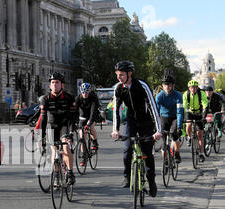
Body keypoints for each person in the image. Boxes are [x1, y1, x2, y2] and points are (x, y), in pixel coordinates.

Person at [111, 61, 162, 197]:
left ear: (129, 74)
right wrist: (115, 130)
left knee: (147, 153)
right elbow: (116, 109)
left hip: (146, 122)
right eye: (117, 75)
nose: (119, 78)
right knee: (127, 149)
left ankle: (151, 181)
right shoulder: (118, 88)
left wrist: (158, 130)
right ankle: (127, 176)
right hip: (131, 121)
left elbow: (153, 107)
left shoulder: (142, 85)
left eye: (121, 75)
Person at [34, 72, 77, 185]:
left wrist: (71, 132)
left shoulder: (69, 98)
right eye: (52, 83)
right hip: (51, 125)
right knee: (54, 151)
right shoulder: (45, 99)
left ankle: (70, 172)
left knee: (66, 147)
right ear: (49, 85)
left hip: (65, 125)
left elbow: (73, 118)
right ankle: (57, 175)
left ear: (62, 85)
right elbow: (43, 119)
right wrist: (41, 137)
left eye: (57, 82)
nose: (54, 85)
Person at [155, 74, 184, 163]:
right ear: (162, 85)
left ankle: (177, 153)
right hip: (164, 118)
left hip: (175, 117)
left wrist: (179, 126)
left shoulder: (178, 95)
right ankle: (165, 161)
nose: (167, 86)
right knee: (164, 142)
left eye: (169, 84)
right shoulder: (159, 96)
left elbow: (179, 111)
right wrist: (156, 125)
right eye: (165, 85)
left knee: (174, 134)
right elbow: (156, 112)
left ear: (173, 85)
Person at [75, 82, 101, 167]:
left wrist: (89, 123)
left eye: (86, 92)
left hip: (92, 115)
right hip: (82, 116)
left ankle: (94, 142)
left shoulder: (93, 98)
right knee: (82, 136)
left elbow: (93, 111)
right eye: (83, 92)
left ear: (89, 92)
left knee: (91, 126)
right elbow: (74, 111)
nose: (84, 94)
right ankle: (84, 155)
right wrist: (74, 123)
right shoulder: (78, 98)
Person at [183, 80, 208, 162]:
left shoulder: (202, 93)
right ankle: (189, 137)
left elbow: (205, 104)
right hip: (190, 112)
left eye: (195, 87)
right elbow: (183, 106)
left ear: (197, 88)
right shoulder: (186, 94)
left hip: (199, 113)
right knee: (188, 125)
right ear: (189, 88)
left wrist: (204, 117)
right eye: (191, 87)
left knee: (200, 134)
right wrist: (182, 116)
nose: (193, 89)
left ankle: (201, 153)